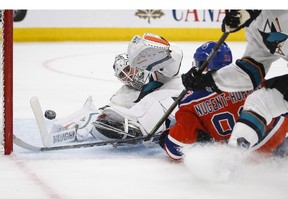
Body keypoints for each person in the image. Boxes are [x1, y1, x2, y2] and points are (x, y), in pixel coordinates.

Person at [181, 10, 288, 152]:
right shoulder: (255, 28)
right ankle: (232, 159)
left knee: (262, 102)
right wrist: (208, 81)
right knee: (260, 103)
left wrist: (248, 11)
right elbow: (252, 71)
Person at [50, 32, 183, 142]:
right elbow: (109, 112)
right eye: (123, 76)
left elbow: (174, 59)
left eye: (128, 70)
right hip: (165, 124)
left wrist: (161, 49)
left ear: (138, 64)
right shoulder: (125, 93)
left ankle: (143, 128)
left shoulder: (158, 71)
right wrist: (85, 121)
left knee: (155, 98)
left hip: (183, 109)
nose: (129, 77)